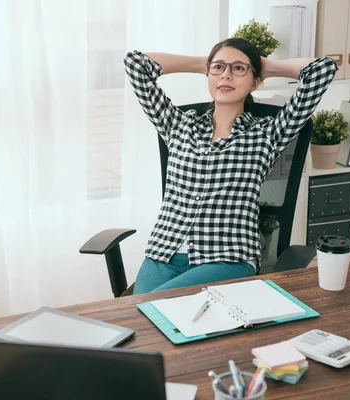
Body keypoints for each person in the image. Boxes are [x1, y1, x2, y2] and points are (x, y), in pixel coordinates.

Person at [124, 38, 337, 294]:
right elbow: (136, 64)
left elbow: (323, 69)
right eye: (218, 68)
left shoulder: (267, 134)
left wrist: (265, 66)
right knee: (140, 316)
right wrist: (204, 64)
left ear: (255, 82)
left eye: (238, 69)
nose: (226, 75)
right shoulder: (178, 125)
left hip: (227, 256)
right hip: (164, 252)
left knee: (155, 308)